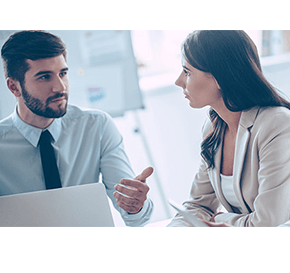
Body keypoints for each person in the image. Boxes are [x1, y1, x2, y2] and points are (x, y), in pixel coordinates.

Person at [0, 30, 153, 227]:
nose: (60, 87)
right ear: (14, 87)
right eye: (45, 77)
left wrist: (135, 205)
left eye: (63, 74)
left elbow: (134, 216)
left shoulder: (96, 126)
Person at [168, 30, 290, 227]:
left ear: (218, 77)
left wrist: (222, 219)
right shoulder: (213, 127)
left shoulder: (277, 125)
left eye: (188, 72)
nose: (179, 82)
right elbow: (197, 206)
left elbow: (268, 224)